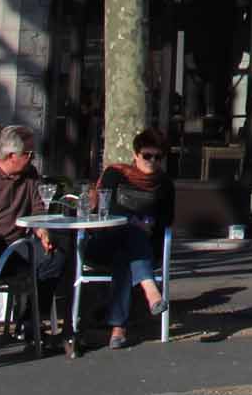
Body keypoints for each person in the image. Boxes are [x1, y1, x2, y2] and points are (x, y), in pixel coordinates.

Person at [0, 125, 67, 294]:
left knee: (55, 257)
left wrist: (42, 230)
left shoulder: (30, 175)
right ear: (11, 156)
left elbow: (37, 209)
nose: (33, 158)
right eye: (28, 154)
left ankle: (33, 315)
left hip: (18, 244)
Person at [89, 128, 173, 348]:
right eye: (147, 156)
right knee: (129, 232)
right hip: (106, 239)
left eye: (157, 157)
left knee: (124, 257)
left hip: (142, 246)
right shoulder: (116, 174)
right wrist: (136, 222)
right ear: (136, 155)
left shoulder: (164, 184)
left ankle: (118, 329)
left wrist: (148, 225)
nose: (152, 161)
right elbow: (106, 207)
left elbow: (166, 219)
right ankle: (150, 289)